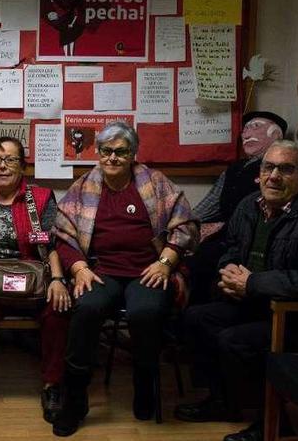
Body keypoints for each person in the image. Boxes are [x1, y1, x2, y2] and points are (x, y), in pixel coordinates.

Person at [174, 140, 298, 441]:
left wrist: (252, 284)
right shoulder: (249, 205)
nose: (274, 176)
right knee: (195, 318)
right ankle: (223, 402)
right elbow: (231, 248)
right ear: (259, 173)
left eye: (286, 169)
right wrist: (228, 273)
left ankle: (272, 422)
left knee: (235, 340)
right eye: (268, 167)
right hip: (254, 302)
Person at [51, 121, 200, 436]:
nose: (112, 158)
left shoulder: (154, 182)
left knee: (145, 313)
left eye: (121, 152)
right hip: (101, 269)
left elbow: (186, 224)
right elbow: (62, 234)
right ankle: (75, 400)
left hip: (147, 269)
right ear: (99, 153)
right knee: (87, 309)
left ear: (133, 154)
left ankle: (144, 383)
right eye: (106, 151)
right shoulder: (85, 186)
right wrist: (78, 268)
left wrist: (165, 262)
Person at [0, 136, 71, 423]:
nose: (3, 166)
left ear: (23, 166)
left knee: (57, 307)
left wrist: (57, 279)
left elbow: (51, 244)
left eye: (11, 160)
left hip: (33, 279)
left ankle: (52, 385)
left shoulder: (40, 198)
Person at [187, 111, 287, 305]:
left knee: (206, 261)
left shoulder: (283, 169)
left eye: (255, 126)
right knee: (195, 257)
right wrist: (184, 222)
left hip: (257, 238)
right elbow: (211, 204)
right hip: (228, 234)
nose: (247, 133)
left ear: (276, 135)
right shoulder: (234, 168)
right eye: (245, 129)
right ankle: (192, 320)